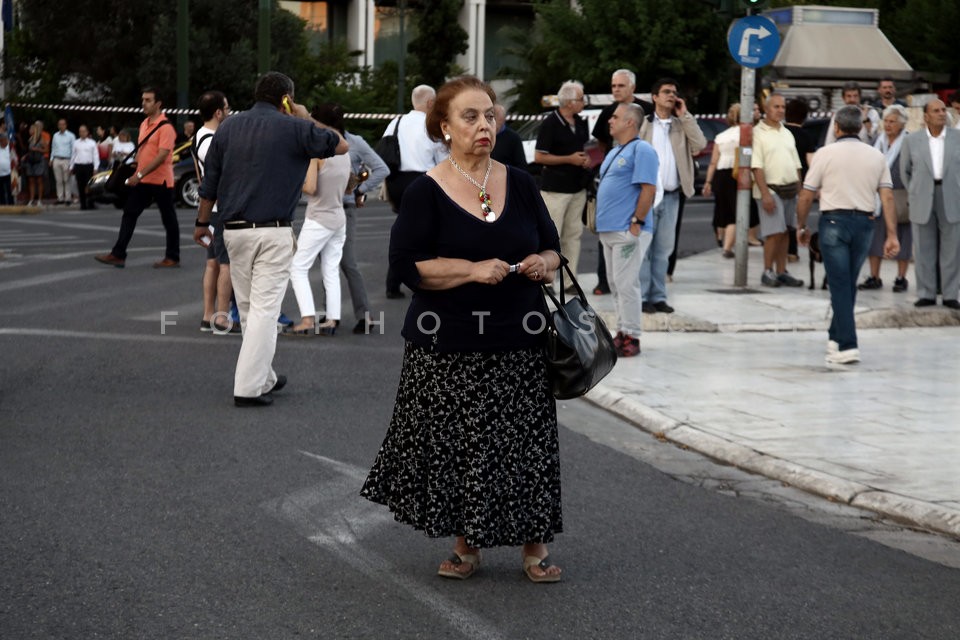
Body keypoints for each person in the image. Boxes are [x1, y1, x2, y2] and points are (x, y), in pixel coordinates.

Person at [361, 76, 564, 583]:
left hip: (520, 336)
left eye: (489, 115)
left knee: (524, 446)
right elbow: (408, 265)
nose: (483, 125)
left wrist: (542, 262)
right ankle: (466, 544)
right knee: (463, 447)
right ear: (445, 127)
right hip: (448, 341)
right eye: (470, 117)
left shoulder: (520, 182)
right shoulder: (424, 191)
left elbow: (552, 247)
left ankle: (535, 545)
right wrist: (470, 270)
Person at [193, 71, 347, 407]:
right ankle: (248, 388)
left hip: (233, 230)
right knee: (264, 310)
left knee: (250, 310)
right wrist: (304, 115)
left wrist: (202, 222)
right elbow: (340, 145)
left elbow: (210, 183)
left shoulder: (228, 127)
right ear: (286, 98)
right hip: (273, 230)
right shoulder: (295, 127)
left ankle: (265, 377)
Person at [797, 105, 899, 365]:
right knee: (847, 284)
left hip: (834, 221)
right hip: (865, 222)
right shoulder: (876, 155)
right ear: (860, 127)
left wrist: (801, 226)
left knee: (840, 284)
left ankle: (848, 344)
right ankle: (835, 338)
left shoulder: (824, 153)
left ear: (836, 127)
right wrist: (892, 234)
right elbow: (887, 196)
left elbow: (807, 194)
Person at [314, 103, 389, 335]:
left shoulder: (354, 143)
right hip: (322, 208)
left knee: (347, 263)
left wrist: (360, 190)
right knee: (326, 263)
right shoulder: (316, 142)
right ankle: (331, 314)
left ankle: (364, 315)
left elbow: (382, 168)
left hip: (344, 208)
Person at [284, 104, 354, 337]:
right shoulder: (344, 150)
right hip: (338, 217)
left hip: (319, 218)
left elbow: (311, 188)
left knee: (297, 267)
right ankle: (332, 319)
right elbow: (348, 187)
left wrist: (294, 180)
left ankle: (307, 319)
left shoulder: (317, 153)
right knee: (330, 269)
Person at [595, 103, 659, 358]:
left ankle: (632, 335)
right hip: (609, 229)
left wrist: (637, 222)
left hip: (627, 229)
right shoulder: (615, 151)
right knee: (615, 283)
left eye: (615, 117)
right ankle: (621, 331)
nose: (610, 120)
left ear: (630, 122)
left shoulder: (643, 150)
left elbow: (648, 189)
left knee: (627, 283)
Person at [638, 78, 706, 313]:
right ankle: (643, 296)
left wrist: (684, 115)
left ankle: (658, 296)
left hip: (672, 195)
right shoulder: (645, 124)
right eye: (666, 92)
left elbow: (700, 144)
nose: (671, 96)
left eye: (674, 92)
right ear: (654, 97)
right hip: (646, 196)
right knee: (644, 248)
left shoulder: (680, 124)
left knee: (664, 250)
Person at [94, 87, 180, 269]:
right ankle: (118, 254)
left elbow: (162, 156)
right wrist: (136, 168)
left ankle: (172, 257)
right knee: (129, 213)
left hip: (161, 181)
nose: (144, 103)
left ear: (158, 104)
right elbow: (142, 151)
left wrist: (139, 174)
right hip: (143, 180)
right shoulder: (144, 124)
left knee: (168, 218)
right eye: (143, 100)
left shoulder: (166, 128)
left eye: (148, 100)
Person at [382, 84, 447, 298]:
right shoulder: (432, 126)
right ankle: (426, 277)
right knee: (428, 231)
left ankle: (393, 283)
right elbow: (443, 160)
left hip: (396, 181)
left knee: (404, 230)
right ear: (430, 103)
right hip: (423, 181)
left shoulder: (396, 122)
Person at [900, 99, 960, 309]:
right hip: (922, 197)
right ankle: (926, 293)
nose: (942, 113)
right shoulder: (911, 140)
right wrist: (915, 191)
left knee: (952, 249)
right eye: (936, 111)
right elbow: (905, 171)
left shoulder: (957, 138)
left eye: (943, 110)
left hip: (952, 196)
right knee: (923, 248)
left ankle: (950, 294)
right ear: (926, 116)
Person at [535, 79, 590, 289]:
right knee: (551, 235)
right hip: (555, 189)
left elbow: (585, 147)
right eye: (581, 98)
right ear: (569, 102)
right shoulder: (550, 123)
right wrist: (569, 159)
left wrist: (586, 159)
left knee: (573, 235)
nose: (584, 102)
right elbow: (539, 157)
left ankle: (570, 282)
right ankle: (547, 280)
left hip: (577, 187)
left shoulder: (581, 121)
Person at [193, 90, 237, 334]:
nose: (230, 112)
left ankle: (208, 315)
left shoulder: (200, 136)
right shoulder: (212, 141)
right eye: (227, 108)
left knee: (213, 263)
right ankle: (222, 317)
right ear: (218, 112)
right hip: (221, 209)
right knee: (226, 264)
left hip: (212, 209)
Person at [752, 93, 804, 288]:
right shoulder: (757, 133)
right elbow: (756, 166)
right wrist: (765, 194)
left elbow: (796, 164)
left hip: (790, 189)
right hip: (770, 189)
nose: (780, 110)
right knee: (774, 232)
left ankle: (782, 271)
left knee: (785, 232)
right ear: (766, 109)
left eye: (783, 107)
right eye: (776, 106)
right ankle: (767, 270)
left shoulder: (787, 132)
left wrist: (801, 192)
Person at [858, 105, 912, 293]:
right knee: (875, 236)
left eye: (892, 122)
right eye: (886, 121)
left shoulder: (909, 142)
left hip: (900, 194)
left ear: (902, 124)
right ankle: (874, 276)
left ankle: (901, 277)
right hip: (878, 194)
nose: (888, 125)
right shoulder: (877, 140)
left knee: (903, 236)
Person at [702, 103, 761, 257]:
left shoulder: (721, 136)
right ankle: (728, 247)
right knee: (738, 211)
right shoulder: (750, 133)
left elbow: (713, 162)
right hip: (738, 173)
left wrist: (708, 182)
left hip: (720, 175)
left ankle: (722, 238)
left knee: (723, 209)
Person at [785, 98, 817, 263]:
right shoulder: (806, 136)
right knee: (794, 218)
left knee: (781, 217)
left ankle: (780, 251)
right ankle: (792, 251)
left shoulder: (781, 133)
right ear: (804, 117)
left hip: (780, 178)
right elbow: (811, 162)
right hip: (800, 181)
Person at [69, 125, 98, 210]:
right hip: (79, 166)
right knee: (80, 185)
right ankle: (83, 204)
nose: (82, 133)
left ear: (87, 132)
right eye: (80, 131)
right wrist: (71, 167)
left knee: (90, 185)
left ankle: (91, 203)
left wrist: (95, 167)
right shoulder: (76, 143)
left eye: (84, 131)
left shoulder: (92, 143)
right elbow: (73, 155)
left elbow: (95, 156)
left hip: (89, 166)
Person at [489, 103, 526, 170]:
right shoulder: (483, 135)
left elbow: (521, 165)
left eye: (498, 120)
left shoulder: (513, 138)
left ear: (503, 120)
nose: (494, 125)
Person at [50, 118, 75, 205]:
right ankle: (60, 198)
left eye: (63, 124)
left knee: (66, 180)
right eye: (60, 124)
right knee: (58, 180)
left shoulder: (71, 136)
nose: (61, 126)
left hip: (66, 159)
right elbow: (53, 147)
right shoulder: (55, 135)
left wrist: (72, 163)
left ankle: (68, 198)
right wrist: (51, 159)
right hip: (57, 159)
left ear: (66, 125)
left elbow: (73, 150)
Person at [24, 123, 48, 207]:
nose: (30, 131)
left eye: (31, 129)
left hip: (39, 161)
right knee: (31, 181)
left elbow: (46, 150)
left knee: (39, 180)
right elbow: (29, 150)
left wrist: (37, 149)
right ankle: (31, 199)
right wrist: (25, 156)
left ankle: (39, 200)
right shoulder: (30, 139)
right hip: (31, 161)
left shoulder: (41, 139)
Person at [0, 133, 17, 205]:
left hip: (9, 173)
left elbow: (15, 159)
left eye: (5, 140)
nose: (5, 142)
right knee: (1, 191)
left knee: (10, 191)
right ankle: (2, 205)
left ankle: (11, 204)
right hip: (0, 173)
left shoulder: (10, 148)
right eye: (2, 141)